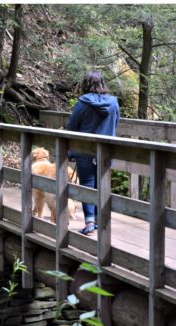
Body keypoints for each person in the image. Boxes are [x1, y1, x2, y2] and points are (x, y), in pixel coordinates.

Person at [66, 70, 120, 235]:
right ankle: (100, 221)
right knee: (101, 186)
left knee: (87, 186)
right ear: (102, 83)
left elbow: (71, 127)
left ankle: (89, 222)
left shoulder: (82, 103)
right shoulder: (113, 103)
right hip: (106, 151)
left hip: (85, 151)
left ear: (86, 84)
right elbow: (115, 124)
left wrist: (71, 152)